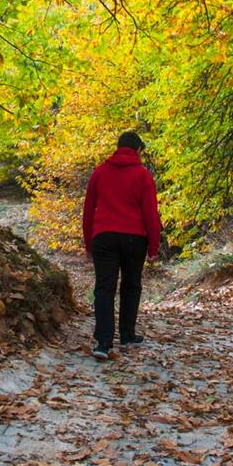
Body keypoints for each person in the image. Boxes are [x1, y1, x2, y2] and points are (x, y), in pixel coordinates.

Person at [82, 130, 162, 360]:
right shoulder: (142, 175)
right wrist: (153, 247)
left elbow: (88, 211)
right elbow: (150, 214)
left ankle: (103, 343)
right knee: (131, 286)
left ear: (118, 148)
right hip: (134, 238)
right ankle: (127, 336)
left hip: (104, 236)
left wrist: (89, 244)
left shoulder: (100, 172)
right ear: (137, 150)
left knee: (104, 288)